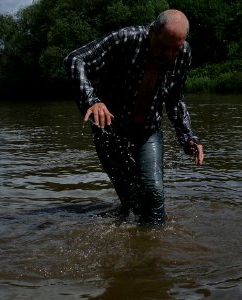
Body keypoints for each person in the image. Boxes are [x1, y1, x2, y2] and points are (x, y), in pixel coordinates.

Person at [64, 9, 204, 225]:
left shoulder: (183, 53)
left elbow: (175, 98)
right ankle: (134, 240)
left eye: (174, 49)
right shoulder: (126, 39)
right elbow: (75, 59)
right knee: (132, 200)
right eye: (163, 47)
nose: (168, 55)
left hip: (148, 131)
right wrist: (91, 101)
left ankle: (153, 249)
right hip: (110, 133)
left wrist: (188, 137)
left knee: (154, 192)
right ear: (152, 31)